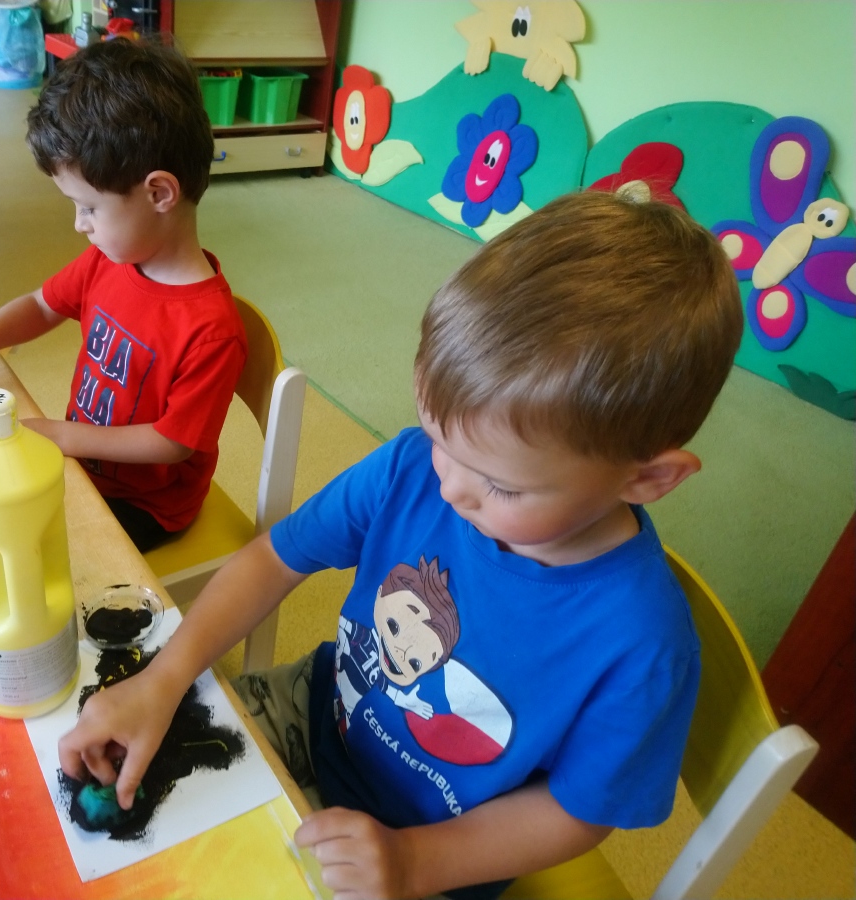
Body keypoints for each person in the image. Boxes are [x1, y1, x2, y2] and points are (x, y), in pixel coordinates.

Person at [57, 191, 744, 899]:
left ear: (648, 479)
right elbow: (274, 558)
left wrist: (415, 862)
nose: (449, 487)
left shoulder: (642, 641)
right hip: (317, 716)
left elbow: (579, 810)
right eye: (441, 438)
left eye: (500, 485)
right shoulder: (413, 467)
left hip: (442, 849)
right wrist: (162, 680)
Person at [0, 38, 246, 552]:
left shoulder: (213, 331)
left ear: (159, 193)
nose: (78, 224)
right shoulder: (109, 262)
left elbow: (173, 442)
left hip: (145, 505)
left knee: (5, 543)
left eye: (89, 207)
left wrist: (63, 437)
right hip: (82, 466)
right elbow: (41, 306)